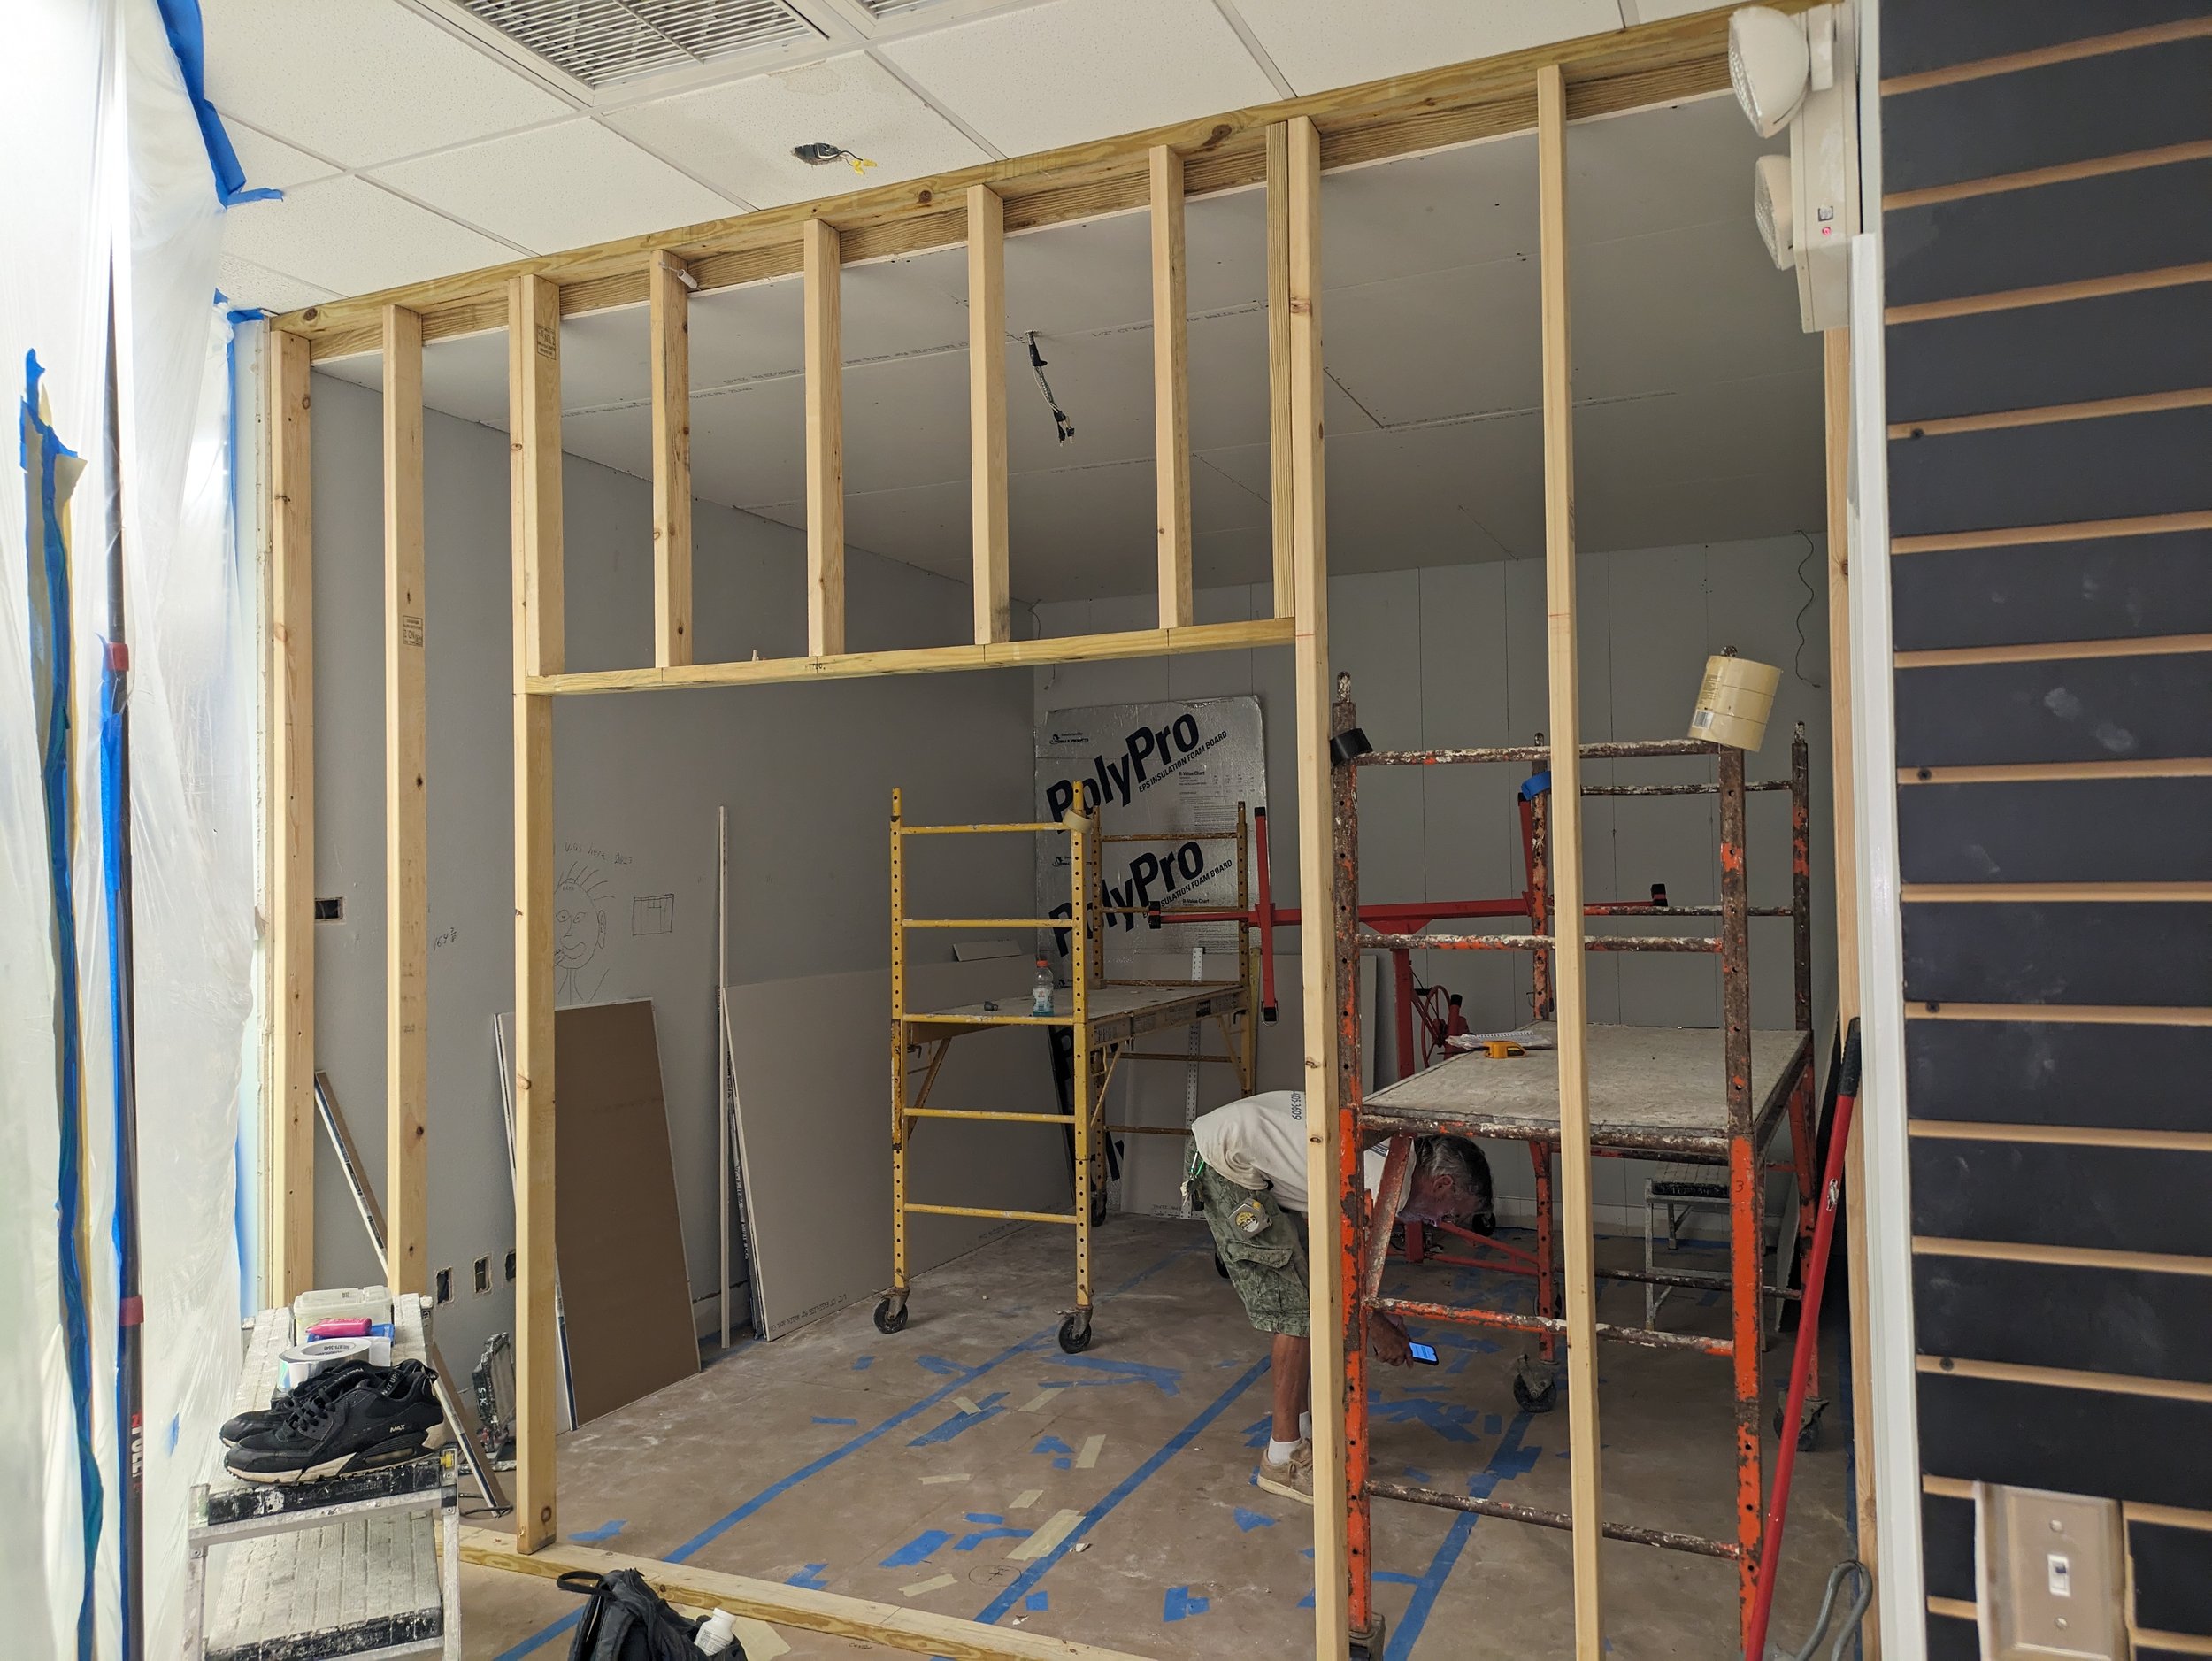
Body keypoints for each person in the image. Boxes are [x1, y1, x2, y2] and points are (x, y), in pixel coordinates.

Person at [1187, 1089, 1494, 1504]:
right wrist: (1378, 1327)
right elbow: (1340, 1271)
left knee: (1310, 1300)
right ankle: (1282, 1459)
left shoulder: (1399, 1146)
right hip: (1228, 1164)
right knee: (1297, 1314)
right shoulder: (1387, 1184)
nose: (1440, 1222)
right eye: (1451, 1212)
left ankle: (1304, 1432)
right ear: (1442, 1183)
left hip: (1235, 1139)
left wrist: (1375, 1318)